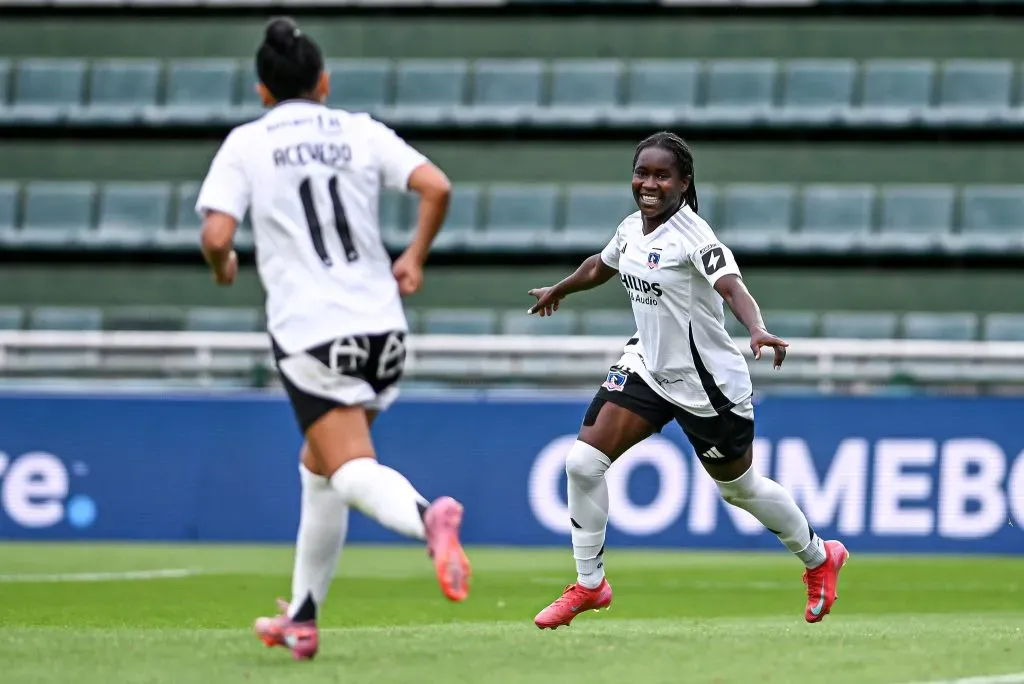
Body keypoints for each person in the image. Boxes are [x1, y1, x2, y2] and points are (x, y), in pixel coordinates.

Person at [196, 17, 470, 660]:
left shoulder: (248, 142)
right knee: (318, 465)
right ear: (323, 81)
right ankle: (302, 615)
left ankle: (428, 518)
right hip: (385, 330)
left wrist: (224, 266)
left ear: (263, 91)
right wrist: (415, 258)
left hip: (313, 332)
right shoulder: (359, 130)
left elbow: (215, 236)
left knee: (347, 465)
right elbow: (437, 185)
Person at [527, 131, 848, 630]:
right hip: (648, 370)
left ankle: (818, 556)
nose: (648, 184)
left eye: (661, 175)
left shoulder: (694, 236)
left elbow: (731, 285)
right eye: (642, 173)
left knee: (739, 491)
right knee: (582, 464)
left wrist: (757, 328)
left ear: (683, 182)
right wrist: (561, 288)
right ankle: (590, 585)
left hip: (708, 386)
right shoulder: (632, 227)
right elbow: (601, 265)